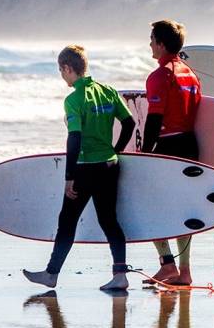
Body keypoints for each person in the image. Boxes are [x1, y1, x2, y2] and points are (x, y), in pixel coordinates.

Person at [23, 45, 135, 290]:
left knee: (68, 220)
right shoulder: (108, 91)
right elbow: (129, 123)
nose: (61, 76)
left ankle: (52, 274)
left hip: (85, 168)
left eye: (60, 70)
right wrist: (116, 151)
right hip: (108, 165)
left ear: (67, 68)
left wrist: (69, 176)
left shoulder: (74, 100)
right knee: (109, 220)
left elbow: (74, 138)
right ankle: (120, 274)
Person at [141, 20, 202, 286]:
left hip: (169, 147)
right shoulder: (190, 73)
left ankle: (168, 265)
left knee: (151, 208)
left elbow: (154, 120)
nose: (150, 44)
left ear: (162, 44)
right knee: (183, 210)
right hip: (191, 145)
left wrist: (144, 154)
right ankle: (184, 271)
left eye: (152, 39)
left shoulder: (160, 75)